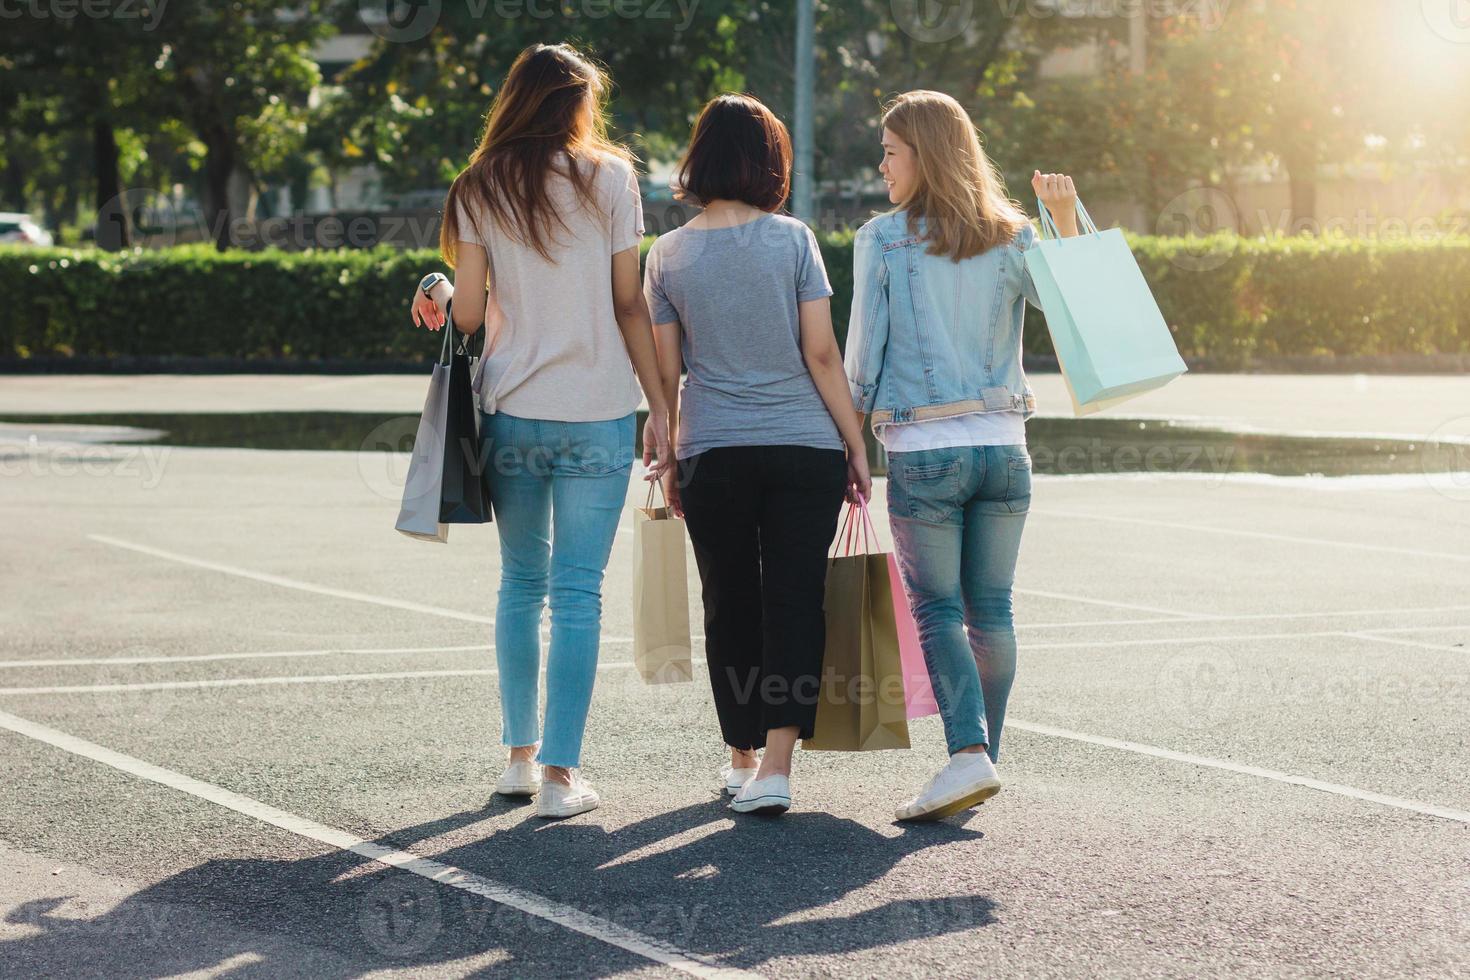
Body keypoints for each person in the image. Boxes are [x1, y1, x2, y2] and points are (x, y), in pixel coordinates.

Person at [409, 43, 672, 819]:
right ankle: (563, 778)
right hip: (597, 412)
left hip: (512, 410)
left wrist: (437, 282)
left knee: (521, 585)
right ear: (577, 105)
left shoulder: (478, 185)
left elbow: (465, 315)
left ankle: (519, 761)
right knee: (578, 594)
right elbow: (631, 305)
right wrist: (661, 406)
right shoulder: (614, 178)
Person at [843, 89, 1080, 822]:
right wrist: (1064, 219)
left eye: (890, 150)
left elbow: (861, 359)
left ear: (924, 153)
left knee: (938, 610)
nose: (880, 164)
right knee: (993, 612)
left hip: (925, 453)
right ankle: (979, 763)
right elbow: (1073, 305)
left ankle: (967, 756)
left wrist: (848, 443)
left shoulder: (882, 239)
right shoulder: (1013, 237)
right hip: (1005, 450)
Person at [645, 94, 870, 816]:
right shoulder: (794, 239)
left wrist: (671, 451)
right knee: (796, 599)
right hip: (805, 447)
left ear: (700, 158)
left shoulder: (668, 254)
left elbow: (669, 374)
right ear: (769, 160)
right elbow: (822, 353)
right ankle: (776, 766)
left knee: (729, 602)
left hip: (715, 450)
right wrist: (854, 443)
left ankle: (739, 756)